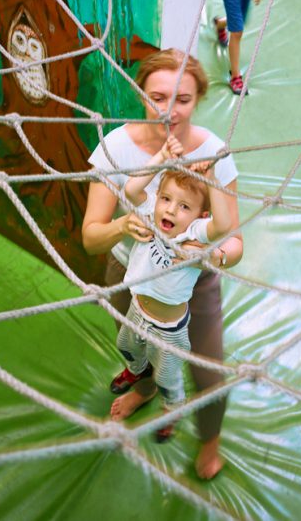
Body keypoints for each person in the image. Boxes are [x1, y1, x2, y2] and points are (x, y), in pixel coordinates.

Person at [82, 48, 242, 479]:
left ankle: (210, 441)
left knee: (208, 366)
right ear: (141, 95)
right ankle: (148, 388)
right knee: (138, 349)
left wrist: (211, 255)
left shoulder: (213, 152)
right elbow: (91, 236)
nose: (169, 110)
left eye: (183, 100)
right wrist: (122, 228)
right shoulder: (115, 148)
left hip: (192, 281)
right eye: (157, 97)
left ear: (198, 100)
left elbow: (234, 239)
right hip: (129, 275)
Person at [113, 138, 233, 443]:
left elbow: (222, 225)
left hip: (169, 330)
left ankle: (171, 408)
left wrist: (210, 179)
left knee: (168, 378)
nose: (170, 210)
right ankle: (138, 373)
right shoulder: (151, 214)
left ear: (198, 216)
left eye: (184, 207)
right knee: (125, 346)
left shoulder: (194, 235)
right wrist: (162, 155)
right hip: (137, 310)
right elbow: (129, 190)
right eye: (166, 199)